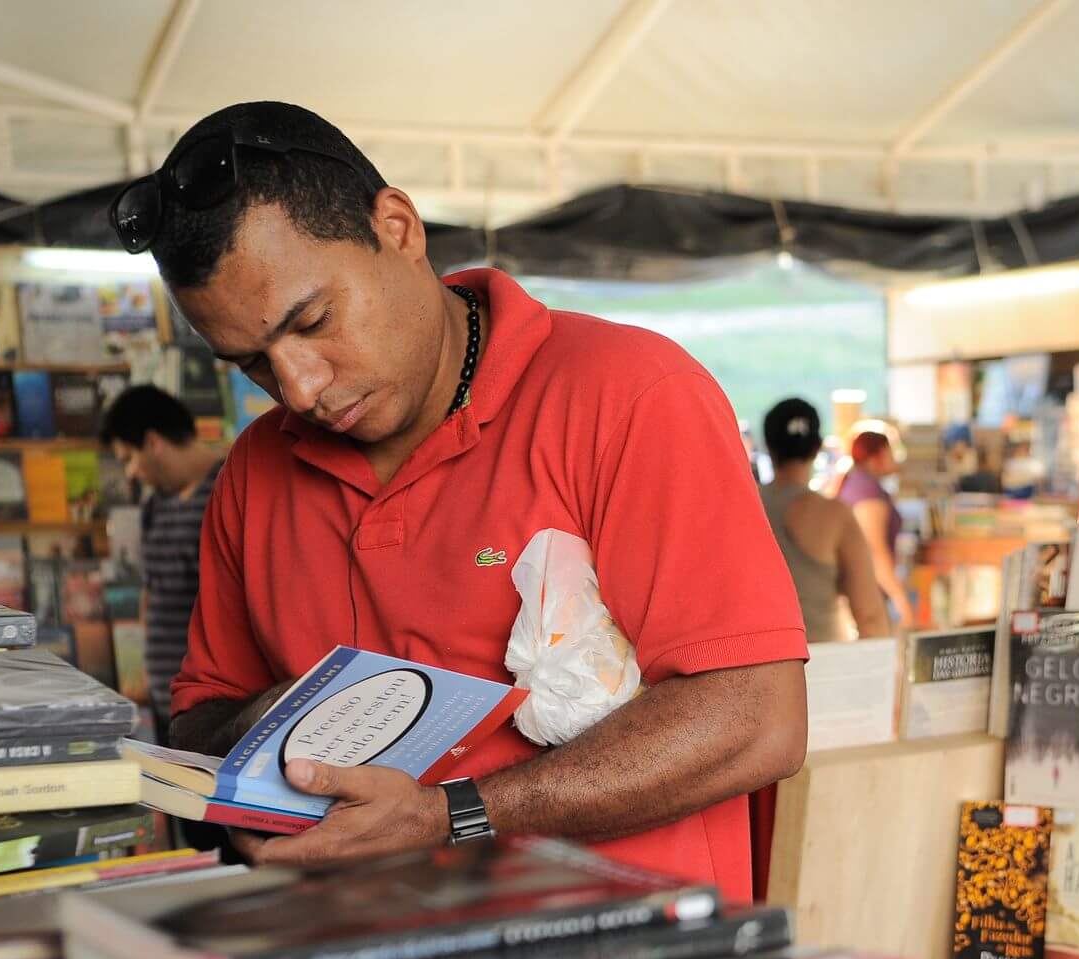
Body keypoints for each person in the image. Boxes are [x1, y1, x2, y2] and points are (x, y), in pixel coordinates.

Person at [118, 101, 807, 893]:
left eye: (313, 320)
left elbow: (757, 720)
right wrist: (301, 717)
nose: (298, 387)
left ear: (398, 228)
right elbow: (204, 729)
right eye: (252, 363)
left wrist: (452, 812)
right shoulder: (254, 473)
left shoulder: (631, 395)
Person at [99, 384, 224, 744]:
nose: (130, 473)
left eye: (128, 458)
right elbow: (151, 592)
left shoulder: (227, 489)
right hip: (166, 699)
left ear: (153, 442)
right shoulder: (155, 505)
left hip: (212, 704)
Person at [757, 398, 888, 644]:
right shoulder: (834, 515)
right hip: (821, 665)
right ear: (817, 447)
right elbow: (869, 615)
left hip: (754, 668)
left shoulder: (743, 507)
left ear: (768, 447)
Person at [836, 428, 912, 628]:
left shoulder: (859, 483)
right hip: (867, 597)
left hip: (863, 593)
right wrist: (902, 602)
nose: (894, 458)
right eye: (890, 451)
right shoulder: (866, 490)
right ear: (878, 455)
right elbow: (875, 551)